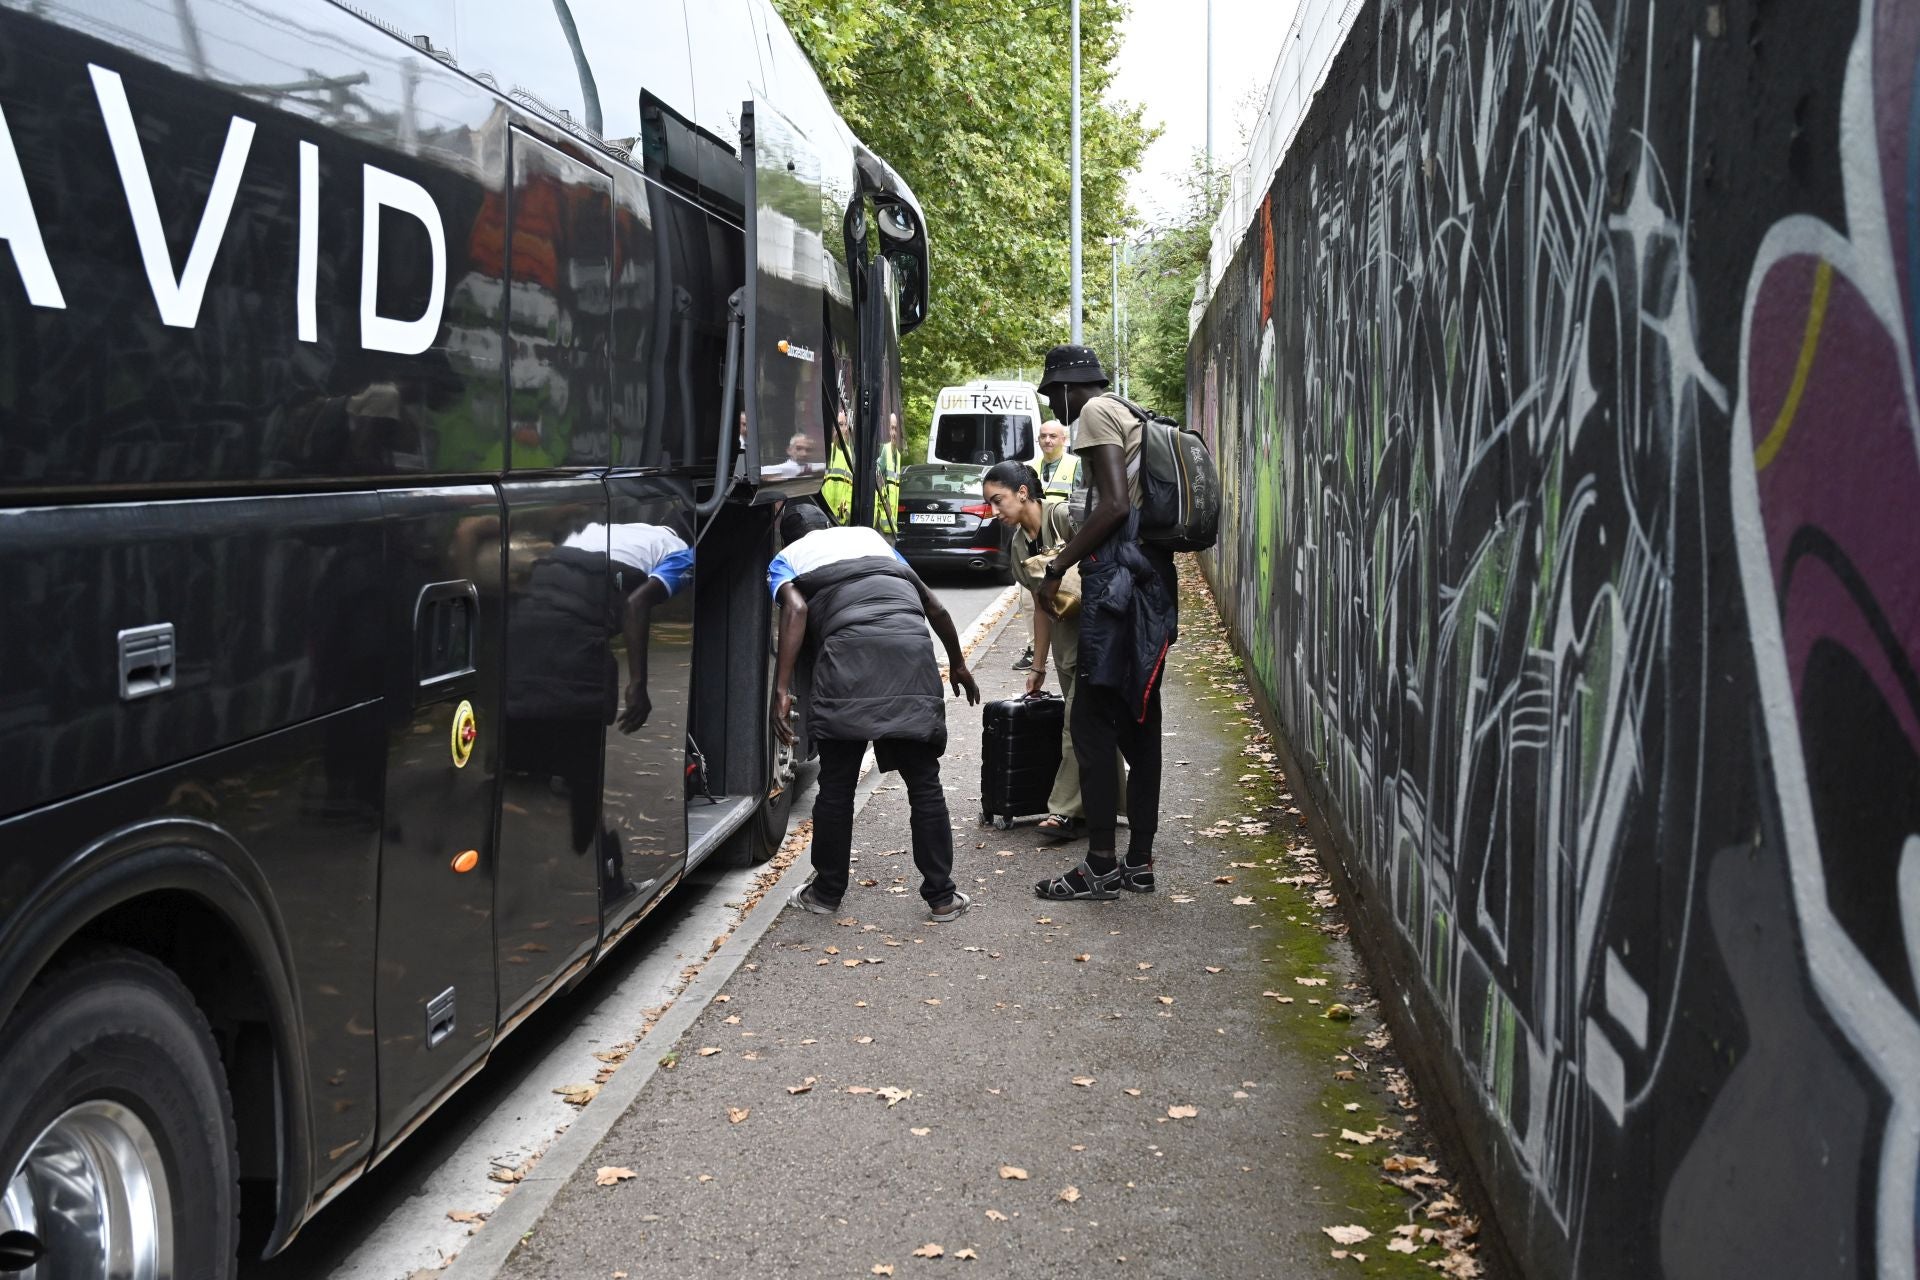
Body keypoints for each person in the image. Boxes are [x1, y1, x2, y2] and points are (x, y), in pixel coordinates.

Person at [770, 502, 981, 921]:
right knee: (923, 783)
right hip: (910, 657)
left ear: (790, 537)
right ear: (828, 524)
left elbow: (795, 610)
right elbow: (934, 607)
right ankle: (942, 897)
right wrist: (957, 664)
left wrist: (781, 689)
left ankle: (826, 893)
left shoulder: (786, 558)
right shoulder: (874, 541)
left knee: (836, 786)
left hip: (846, 662)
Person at [1029, 344, 1178, 902]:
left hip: (1118, 589)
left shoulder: (1094, 414)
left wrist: (1057, 565)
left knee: (1091, 727)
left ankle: (1099, 866)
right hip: (1152, 584)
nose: (1055, 406)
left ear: (1070, 387)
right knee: (1142, 727)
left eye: (1052, 393)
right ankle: (1138, 863)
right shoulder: (1129, 409)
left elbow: (1114, 505)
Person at [983, 460, 1121, 841]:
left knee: (1077, 724)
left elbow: (1110, 558)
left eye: (999, 501)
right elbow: (1042, 607)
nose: (995, 512)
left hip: (1101, 637)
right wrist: (1038, 666)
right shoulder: (1017, 547)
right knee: (1093, 725)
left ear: (1023, 493)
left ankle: (1062, 812)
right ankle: (1107, 805)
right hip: (1066, 649)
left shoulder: (1063, 517)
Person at [1012, 418, 1079, 672]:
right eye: (1043, 436)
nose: (1048, 440)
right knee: (1031, 601)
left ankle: (1066, 649)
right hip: (1034, 542)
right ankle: (1034, 650)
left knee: (1065, 595)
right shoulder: (1030, 468)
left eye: (1053, 436)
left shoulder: (1075, 466)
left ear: (1064, 439)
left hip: (1062, 538)